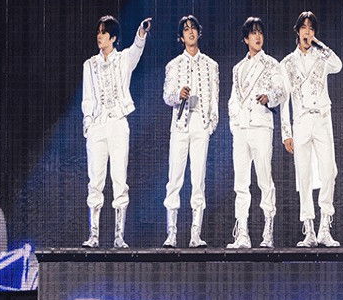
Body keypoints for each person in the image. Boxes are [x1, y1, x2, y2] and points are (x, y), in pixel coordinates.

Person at [80, 15, 152, 248]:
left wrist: (141, 32)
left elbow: (137, 49)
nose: (99, 36)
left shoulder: (123, 60)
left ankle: (119, 236)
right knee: (95, 180)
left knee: (120, 179)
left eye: (103, 32)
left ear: (113, 38)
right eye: (98, 32)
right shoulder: (90, 65)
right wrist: (88, 124)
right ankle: (93, 235)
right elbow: (87, 97)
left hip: (118, 124)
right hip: (97, 126)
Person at [280, 11, 343, 247]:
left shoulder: (321, 57)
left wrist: (319, 44)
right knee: (304, 175)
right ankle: (309, 230)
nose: (307, 32)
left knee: (329, 171)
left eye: (311, 28)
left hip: (322, 118)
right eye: (304, 28)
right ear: (297, 31)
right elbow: (284, 99)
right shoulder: (287, 63)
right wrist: (286, 133)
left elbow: (338, 65)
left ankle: (325, 227)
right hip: (301, 121)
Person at [228, 17, 288, 248]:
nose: (258, 36)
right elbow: (233, 100)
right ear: (246, 39)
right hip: (242, 129)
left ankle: (267, 231)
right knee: (241, 182)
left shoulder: (271, 64)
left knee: (264, 178)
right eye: (253, 33)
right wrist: (235, 124)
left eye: (260, 32)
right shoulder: (238, 68)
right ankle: (242, 233)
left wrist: (268, 97)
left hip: (261, 126)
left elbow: (282, 91)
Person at [161, 15, 219, 248]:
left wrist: (209, 126)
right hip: (180, 126)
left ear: (199, 33)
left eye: (193, 28)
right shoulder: (173, 65)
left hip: (200, 125)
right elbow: (166, 96)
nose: (190, 32)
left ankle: (196, 234)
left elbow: (214, 99)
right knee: (174, 178)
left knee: (198, 179)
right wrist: (178, 95)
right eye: (186, 29)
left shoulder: (211, 65)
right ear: (181, 36)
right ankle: (172, 233)